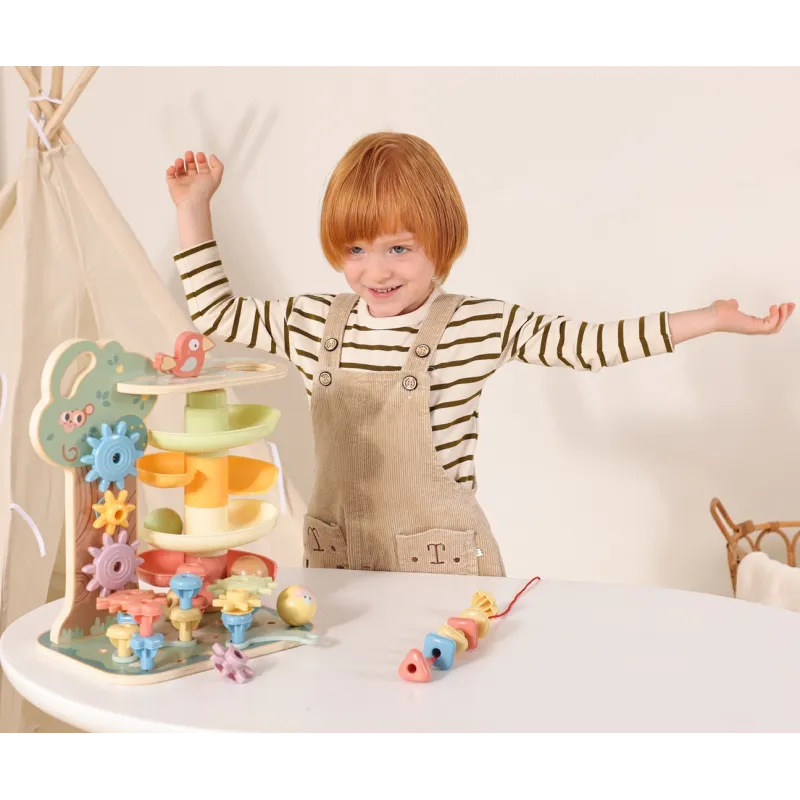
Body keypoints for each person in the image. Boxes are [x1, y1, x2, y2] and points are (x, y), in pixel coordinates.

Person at [166, 133, 793, 577]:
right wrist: (194, 208)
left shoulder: (474, 324)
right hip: (341, 567)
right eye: (356, 250)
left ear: (441, 241)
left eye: (399, 249)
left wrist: (710, 319)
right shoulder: (311, 322)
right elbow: (218, 314)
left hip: (442, 574)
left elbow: (589, 345)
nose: (375, 271)